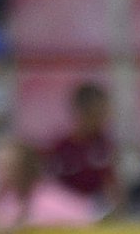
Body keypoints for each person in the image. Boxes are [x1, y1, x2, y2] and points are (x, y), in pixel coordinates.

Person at [45, 78, 122, 213]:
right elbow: (47, 190)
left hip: (93, 212)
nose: (104, 120)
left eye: (105, 115)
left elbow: (112, 187)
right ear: (82, 113)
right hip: (62, 213)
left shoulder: (104, 145)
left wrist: (117, 210)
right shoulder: (60, 147)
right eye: (98, 115)